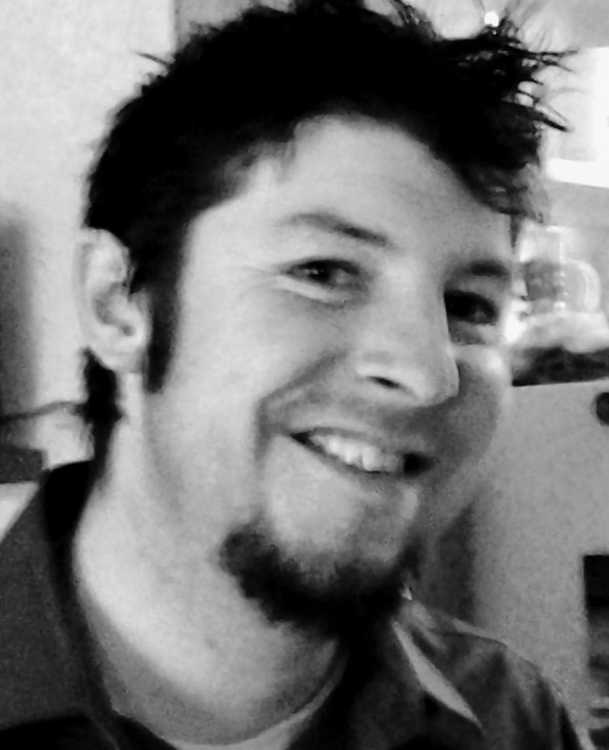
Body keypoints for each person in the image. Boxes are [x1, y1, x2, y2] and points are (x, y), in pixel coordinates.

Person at [0, 1, 590, 747]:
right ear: (117, 304)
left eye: (469, 306)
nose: (427, 373)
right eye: (323, 272)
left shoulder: (509, 720)